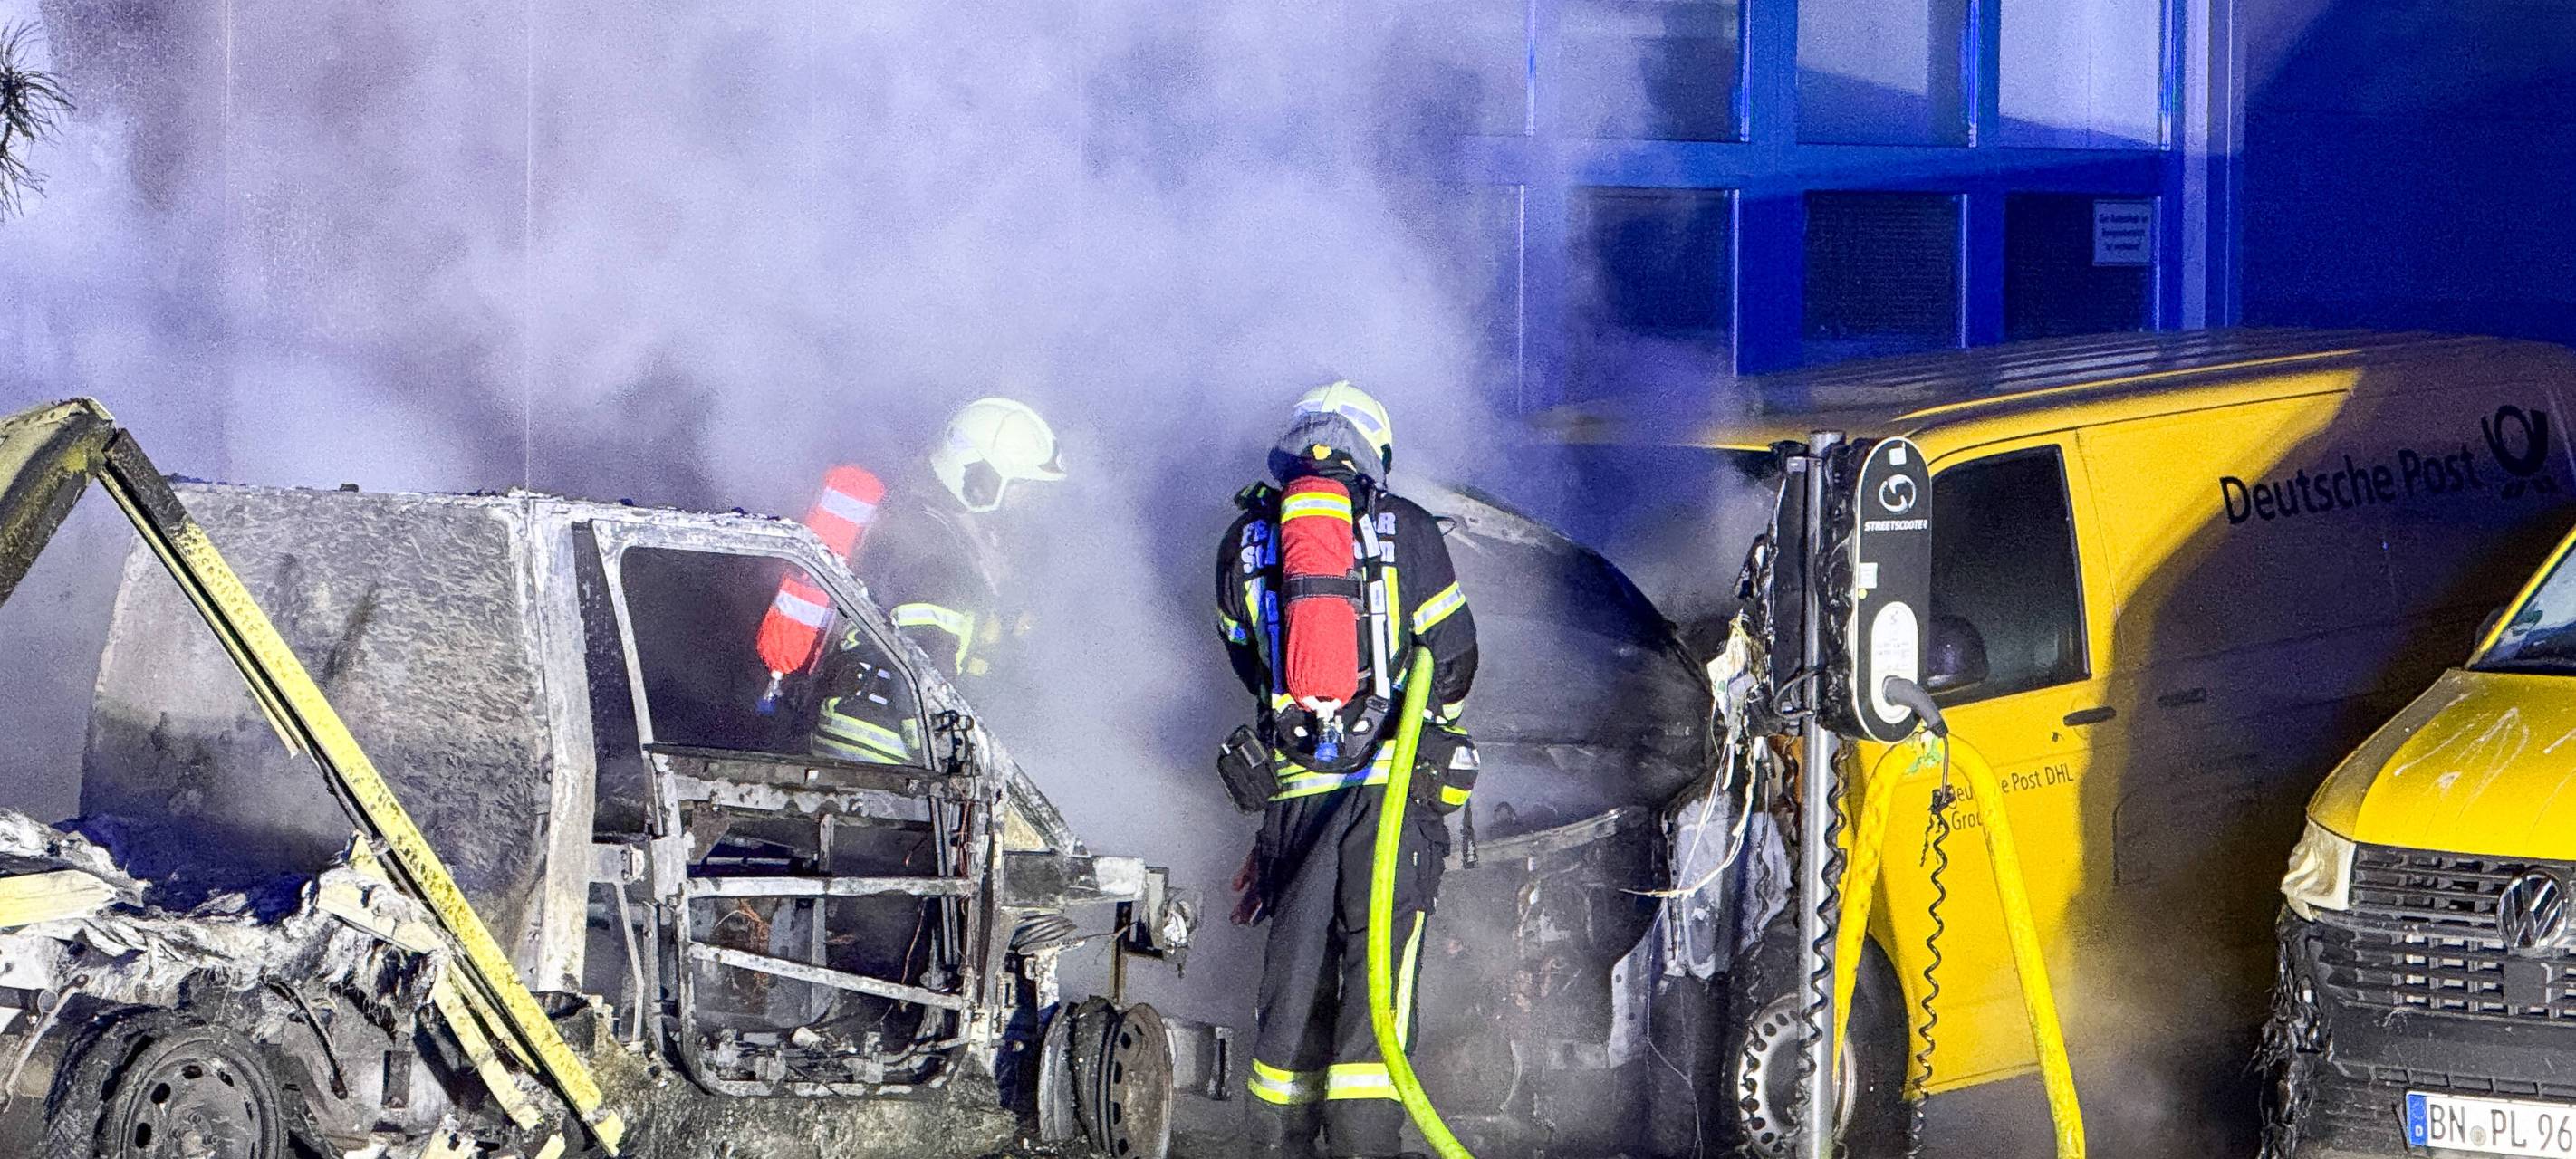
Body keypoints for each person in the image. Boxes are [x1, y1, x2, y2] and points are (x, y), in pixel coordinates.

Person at [1216, 381, 1480, 1159]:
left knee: (1293, 990)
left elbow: (1248, 663)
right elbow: (1454, 661)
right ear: (1375, 453)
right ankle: (1366, 1146)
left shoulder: (1243, 542)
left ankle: (1277, 1144)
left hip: (1296, 808)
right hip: (1391, 807)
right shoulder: (1407, 527)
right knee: (1376, 1002)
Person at [808, 397, 1064, 764]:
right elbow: (924, 667)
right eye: (1020, 489)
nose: (1024, 505)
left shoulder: (933, 526)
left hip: (869, 742)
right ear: (981, 479)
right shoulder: (931, 546)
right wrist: (954, 763)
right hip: (881, 753)